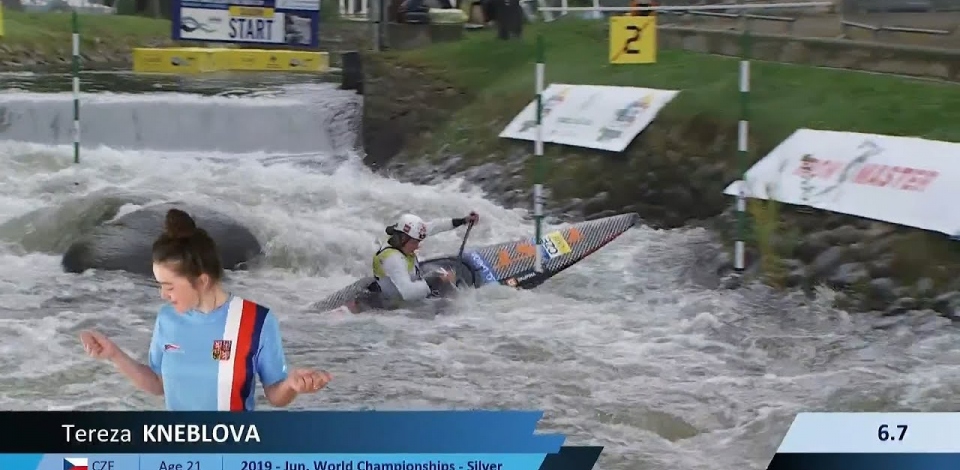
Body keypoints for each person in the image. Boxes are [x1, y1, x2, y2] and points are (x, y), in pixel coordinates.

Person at [79, 208, 332, 411]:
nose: (163, 294)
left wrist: (291, 384)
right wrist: (114, 354)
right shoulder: (167, 319)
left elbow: (275, 395)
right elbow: (159, 384)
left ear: (202, 281)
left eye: (169, 286)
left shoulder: (256, 321)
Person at [360, 211, 479, 310]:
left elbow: (434, 226)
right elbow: (408, 293)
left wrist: (463, 220)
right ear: (402, 238)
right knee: (450, 305)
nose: (417, 247)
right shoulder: (393, 259)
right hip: (397, 304)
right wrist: (437, 280)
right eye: (414, 242)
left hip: (410, 281)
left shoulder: (404, 236)